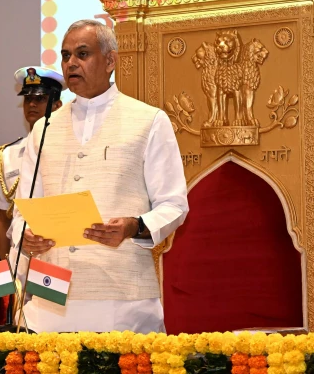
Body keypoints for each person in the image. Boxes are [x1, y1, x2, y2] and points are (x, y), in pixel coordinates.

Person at [14, 19, 189, 333]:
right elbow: (22, 210)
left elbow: (174, 204)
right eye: (66, 55)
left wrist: (133, 226)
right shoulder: (44, 128)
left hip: (121, 295)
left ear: (110, 60)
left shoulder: (148, 121)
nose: (71, 63)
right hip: (49, 294)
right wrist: (25, 235)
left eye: (82, 54)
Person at [0, 66, 64, 259]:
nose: (32, 104)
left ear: (58, 105)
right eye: (28, 98)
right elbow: (2, 218)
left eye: (40, 99)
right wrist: (3, 271)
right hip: (19, 254)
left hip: (58, 250)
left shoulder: (69, 150)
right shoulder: (9, 154)